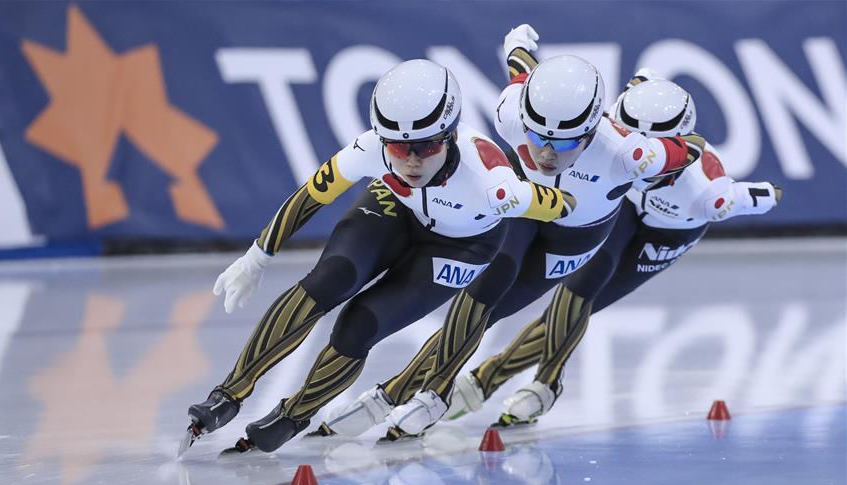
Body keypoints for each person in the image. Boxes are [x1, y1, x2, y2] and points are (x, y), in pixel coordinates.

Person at [314, 25, 706, 441]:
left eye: (567, 141)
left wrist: (676, 152)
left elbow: (694, 145)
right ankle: (423, 392)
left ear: (592, 131)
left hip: (576, 235)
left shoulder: (630, 153)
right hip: (525, 207)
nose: (548, 153)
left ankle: (531, 383)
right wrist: (517, 46)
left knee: (504, 309)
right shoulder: (511, 110)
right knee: (479, 295)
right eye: (537, 136)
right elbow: (522, 73)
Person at [179, 58, 576, 456]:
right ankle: (228, 394)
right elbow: (311, 196)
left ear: (452, 135)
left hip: (463, 245)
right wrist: (256, 257)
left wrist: (552, 195)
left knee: (360, 325)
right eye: (400, 148)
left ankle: (293, 415)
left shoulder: (492, 181)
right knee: (330, 277)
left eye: (428, 146)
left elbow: (563, 204)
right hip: (397, 208)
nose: (412, 161)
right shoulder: (373, 147)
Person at [443, 70, 782, 426]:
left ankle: (495, 378)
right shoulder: (618, 125)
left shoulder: (707, 194)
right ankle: (522, 384)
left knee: (582, 308)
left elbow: (757, 196)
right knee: (578, 290)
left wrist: (769, 194)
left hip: (666, 233)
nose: (640, 162)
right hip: (625, 206)